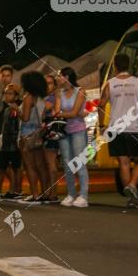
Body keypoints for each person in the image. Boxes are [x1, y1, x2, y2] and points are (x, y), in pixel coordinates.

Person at [98, 53, 138, 208]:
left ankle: (131, 198)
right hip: (136, 128)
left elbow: (101, 105)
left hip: (116, 128)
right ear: (130, 65)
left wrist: (101, 126)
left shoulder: (109, 84)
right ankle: (132, 185)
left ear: (115, 66)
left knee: (124, 163)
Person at [55, 67, 89, 207]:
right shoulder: (59, 93)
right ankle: (71, 194)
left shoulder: (80, 91)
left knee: (79, 162)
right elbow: (58, 112)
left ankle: (84, 195)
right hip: (64, 130)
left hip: (78, 130)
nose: (57, 78)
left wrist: (67, 113)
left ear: (67, 77)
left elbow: (73, 112)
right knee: (67, 163)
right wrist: (75, 113)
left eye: (59, 76)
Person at [18, 71, 50, 203]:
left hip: (26, 134)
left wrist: (16, 110)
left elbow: (25, 118)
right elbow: (42, 117)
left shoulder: (28, 97)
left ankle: (35, 194)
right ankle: (45, 192)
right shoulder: (41, 98)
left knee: (29, 166)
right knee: (41, 165)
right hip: (38, 133)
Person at [0, 84, 22, 200]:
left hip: (13, 143)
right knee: (0, 166)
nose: (7, 96)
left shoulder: (15, 108)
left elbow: (17, 124)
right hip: (5, 142)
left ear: (16, 96)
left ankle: (17, 191)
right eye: (6, 93)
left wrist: (16, 142)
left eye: (10, 93)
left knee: (16, 167)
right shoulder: (8, 108)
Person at [42, 73, 61, 203]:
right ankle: (49, 191)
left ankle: (53, 193)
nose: (47, 85)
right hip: (48, 130)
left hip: (52, 130)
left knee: (51, 163)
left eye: (50, 83)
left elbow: (42, 109)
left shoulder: (53, 98)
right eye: (45, 83)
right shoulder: (47, 97)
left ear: (54, 86)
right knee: (48, 163)